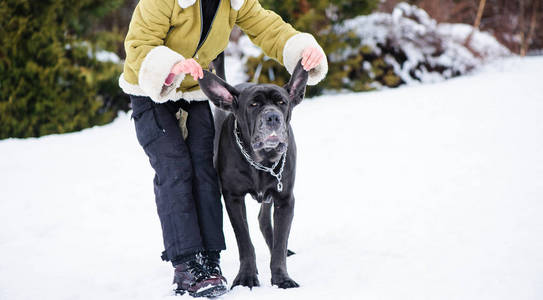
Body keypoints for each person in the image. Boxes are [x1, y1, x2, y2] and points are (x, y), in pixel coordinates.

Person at [118, 0, 327, 297]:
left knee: (205, 171)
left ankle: (211, 262)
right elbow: (139, 47)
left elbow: (268, 28)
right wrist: (171, 66)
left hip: (194, 91)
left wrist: (301, 49)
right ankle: (188, 265)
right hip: (150, 89)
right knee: (176, 169)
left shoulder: (236, 2)